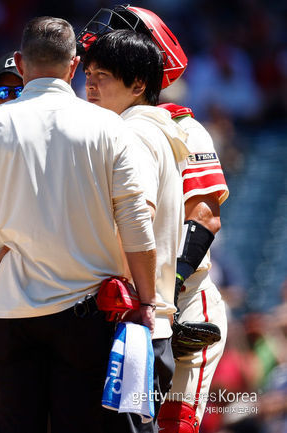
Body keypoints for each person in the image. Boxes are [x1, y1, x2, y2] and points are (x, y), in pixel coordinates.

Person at [0, 16, 158, 433]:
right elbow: (137, 222)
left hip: (12, 315)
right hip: (90, 314)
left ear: (19, 63)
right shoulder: (108, 127)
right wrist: (148, 301)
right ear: (75, 66)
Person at [78, 6, 230, 431]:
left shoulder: (180, 127)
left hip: (183, 297)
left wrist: (167, 290)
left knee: (171, 425)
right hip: (128, 298)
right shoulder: (95, 129)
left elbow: (203, 217)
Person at [82, 28, 188, 430]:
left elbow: (135, 214)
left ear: (139, 83)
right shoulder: (153, 129)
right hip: (146, 320)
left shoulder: (134, 132)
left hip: (129, 320)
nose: (89, 83)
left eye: (103, 75)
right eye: (88, 72)